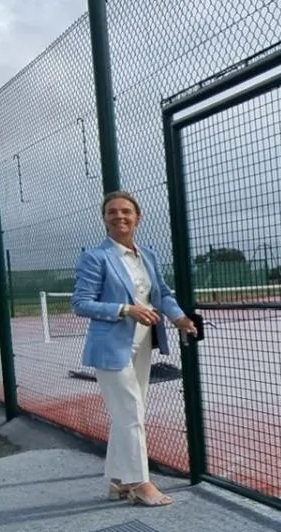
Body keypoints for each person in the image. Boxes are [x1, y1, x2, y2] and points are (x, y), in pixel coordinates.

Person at [71, 190, 197, 507]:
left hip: (143, 345)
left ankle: (118, 481)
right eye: (112, 212)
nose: (120, 216)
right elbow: (81, 303)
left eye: (126, 211)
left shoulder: (148, 255)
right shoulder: (96, 257)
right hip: (111, 349)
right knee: (131, 413)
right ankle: (140, 483)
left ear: (137, 217)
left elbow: (162, 294)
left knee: (128, 414)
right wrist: (125, 309)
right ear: (104, 219)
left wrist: (180, 318)